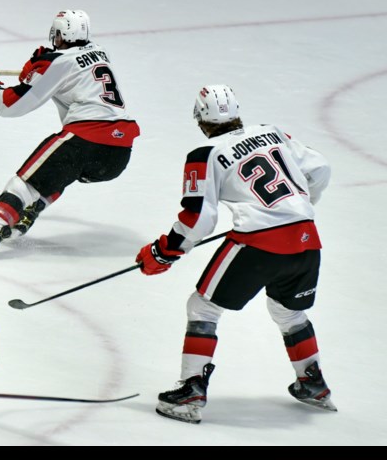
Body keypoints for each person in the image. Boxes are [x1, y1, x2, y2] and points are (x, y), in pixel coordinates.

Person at [136, 84, 336, 424]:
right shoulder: (272, 132)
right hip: (307, 240)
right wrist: (297, 210)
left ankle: (191, 391)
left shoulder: (205, 153)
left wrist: (165, 251)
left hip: (258, 244)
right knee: (289, 313)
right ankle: (312, 382)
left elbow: (199, 217)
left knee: (202, 307)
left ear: (200, 118)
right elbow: (319, 169)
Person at [0, 9, 140, 259]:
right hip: (119, 154)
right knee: (62, 171)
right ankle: (33, 208)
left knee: (24, 183)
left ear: (60, 33)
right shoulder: (101, 52)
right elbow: (46, 75)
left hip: (86, 138)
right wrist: (37, 68)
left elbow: (10, 105)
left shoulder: (56, 62)